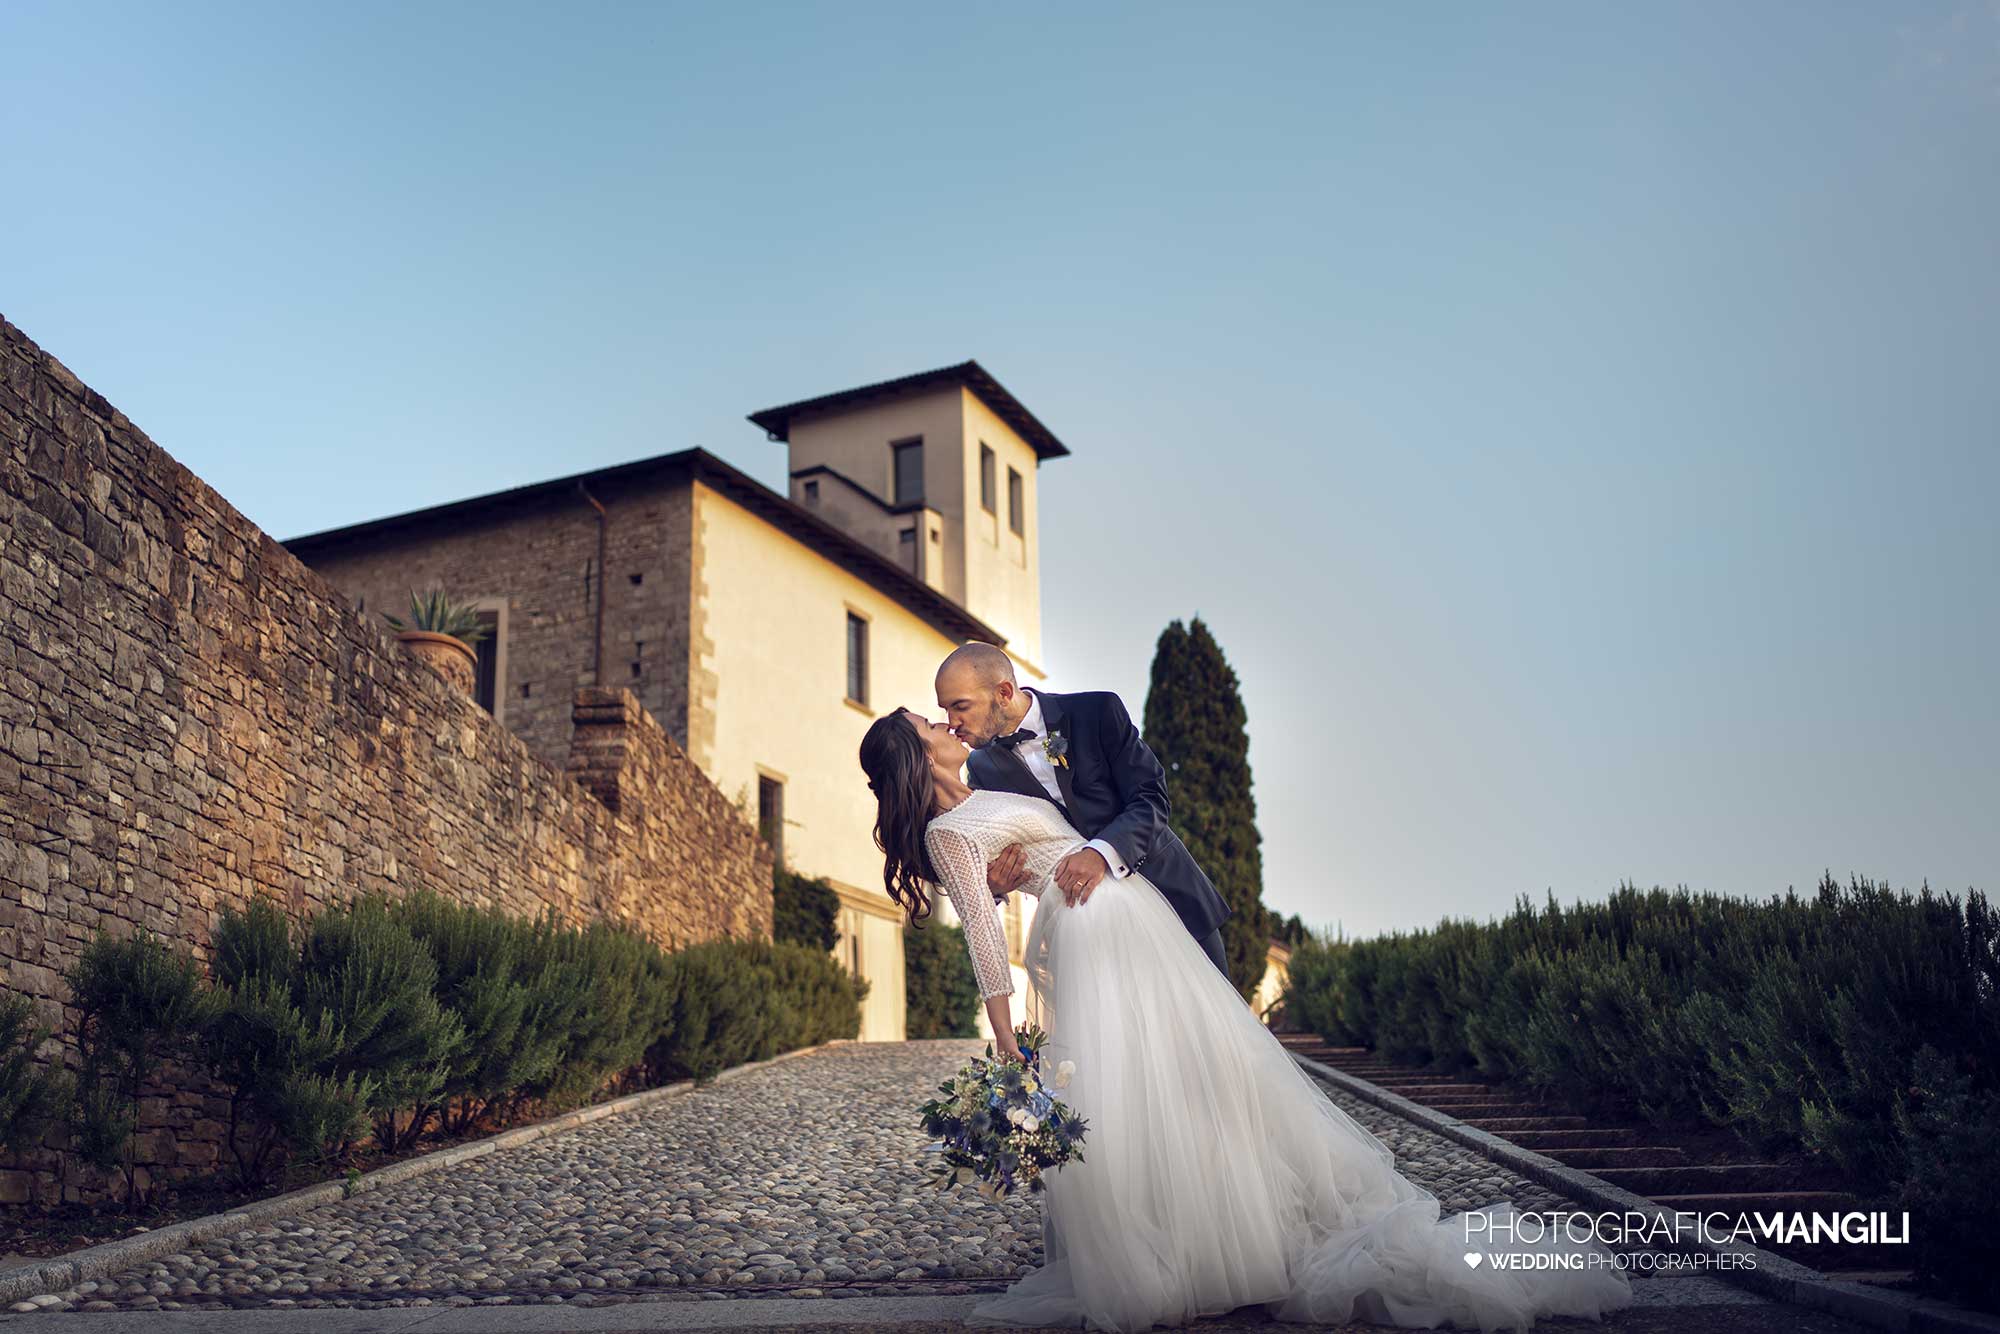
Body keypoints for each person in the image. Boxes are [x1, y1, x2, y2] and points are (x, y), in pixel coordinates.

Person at [859, 707, 1634, 1334]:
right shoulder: (947, 832)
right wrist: (1005, 1045)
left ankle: (1229, 1237)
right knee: (1140, 1085)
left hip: (1130, 911)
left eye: (946, 709)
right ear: (915, 755)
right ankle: (1184, 1251)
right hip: (1092, 930)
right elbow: (984, 943)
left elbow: (1054, 832)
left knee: (1203, 1071)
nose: (941, 722)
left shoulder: (987, 791)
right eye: (927, 722)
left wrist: (1018, 871)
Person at [933, 642, 1231, 980]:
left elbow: (1150, 798)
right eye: (945, 710)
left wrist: (1101, 853)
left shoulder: (1096, 711)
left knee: (1217, 1029)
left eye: (960, 706)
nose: (952, 722)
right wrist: (996, 885)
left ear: (1003, 692)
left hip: (1171, 898)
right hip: (1094, 935)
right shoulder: (982, 767)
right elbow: (999, 851)